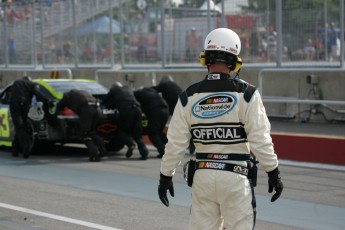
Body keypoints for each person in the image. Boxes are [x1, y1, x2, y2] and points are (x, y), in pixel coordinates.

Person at [158, 28, 283, 229]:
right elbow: (261, 139)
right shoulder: (247, 94)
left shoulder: (187, 96)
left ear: (205, 59)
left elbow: (175, 144)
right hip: (235, 177)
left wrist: (165, 176)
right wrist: (273, 171)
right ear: (234, 62)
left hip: (203, 177)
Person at [9, 76, 54, 158]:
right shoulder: (33, 84)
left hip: (14, 106)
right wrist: (47, 101)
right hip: (24, 106)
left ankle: (18, 149)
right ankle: (22, 147)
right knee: (21, 126)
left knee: (19, 127)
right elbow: (38, 94)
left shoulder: (16, 82)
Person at [103, 82, 149, 160]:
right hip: (138, 110)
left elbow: (105, 100)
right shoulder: (128, 89)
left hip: (126, 110)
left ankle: (131, 144)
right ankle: (144, 153)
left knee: (122, 131)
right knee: (137, 133)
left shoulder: (114, 90)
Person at [55, 89, 105, 162]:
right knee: (91, 131)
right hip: (97, 109)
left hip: (87, 111)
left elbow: (60, 106)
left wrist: (55, 114)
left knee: (84, 134)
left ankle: (94, 154)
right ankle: (102, 148)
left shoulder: (67, 95)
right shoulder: (84, 92)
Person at [152, 75, 195, 154]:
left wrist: (143, 89)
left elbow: (154, 89)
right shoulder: (174, 85)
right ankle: (191, 142)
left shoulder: (165, 85)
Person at [134, 87, 169, 158]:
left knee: (153, 134)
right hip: (166, 110)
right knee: (159, 132)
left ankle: (164, 151)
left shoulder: (136, 94)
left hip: (156, 111)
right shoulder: (152, 91)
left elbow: (135, 105)